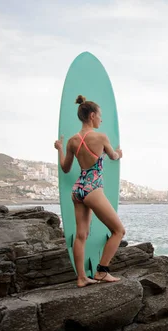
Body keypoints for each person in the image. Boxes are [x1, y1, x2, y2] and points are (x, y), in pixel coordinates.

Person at [54, 95, 124, 287]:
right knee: (118, 231)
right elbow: (113, 155)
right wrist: (120, 154)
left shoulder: (72, 141)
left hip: (78, 189)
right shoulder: (100, 137)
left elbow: (65, 167)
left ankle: (81, 277)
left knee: (80, 235)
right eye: (100, 116)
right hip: (93, 188)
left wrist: (59, 148)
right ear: (92, 115)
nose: (101, 120)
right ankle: (102, 271)